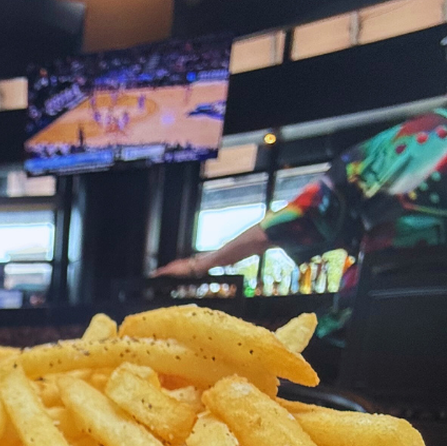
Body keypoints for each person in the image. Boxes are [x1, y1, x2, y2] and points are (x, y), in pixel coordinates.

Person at [155, 109, 447, 357]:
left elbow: (286, 223)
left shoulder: (407, 143)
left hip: (369, 339)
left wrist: (197, 266)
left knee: (265, 364)